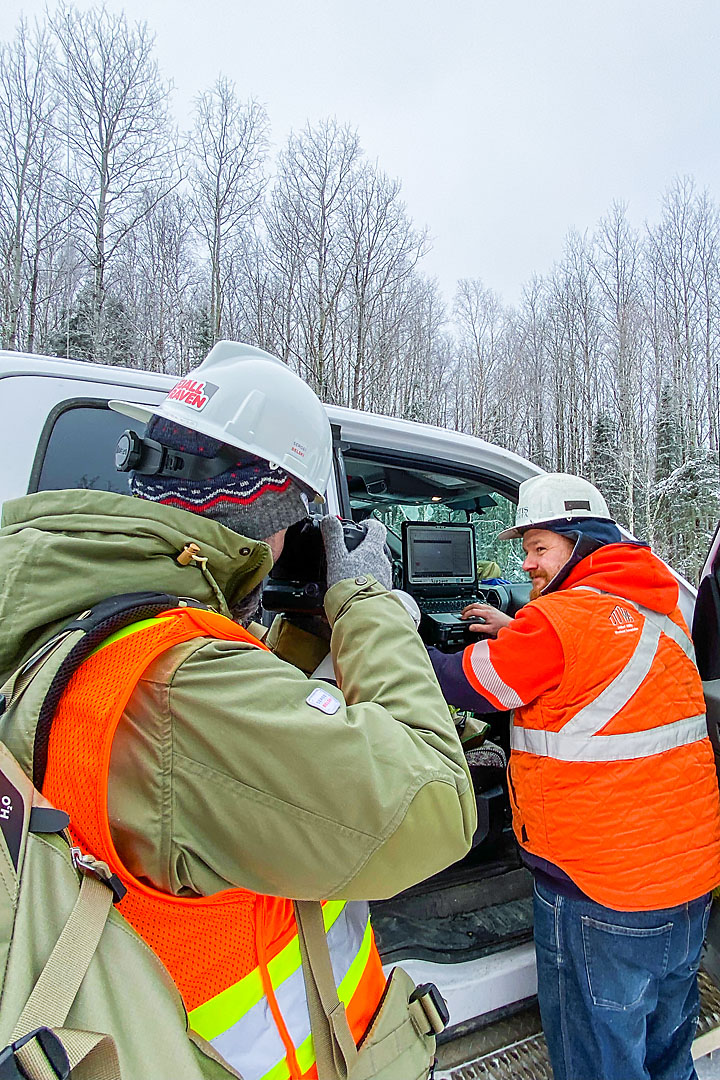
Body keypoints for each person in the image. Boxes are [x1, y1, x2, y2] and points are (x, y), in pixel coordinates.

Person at [0, 341, 476, 1080]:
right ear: (274, 512)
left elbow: (254, 722)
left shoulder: (91, 624)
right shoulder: (177, 689)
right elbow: (434, 805)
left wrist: (309, 628)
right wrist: (368, 607)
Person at [429, 471, 720, 1080]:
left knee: (598, 1064)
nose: (528, 565)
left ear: (580, 542)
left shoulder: (562, 619)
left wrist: (393, 632)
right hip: (684, 886)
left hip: (598, 893)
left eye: (540, 548)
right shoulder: (659, 610)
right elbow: (598, 671)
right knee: (667, 1054)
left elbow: (464, 685)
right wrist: (519, 633)